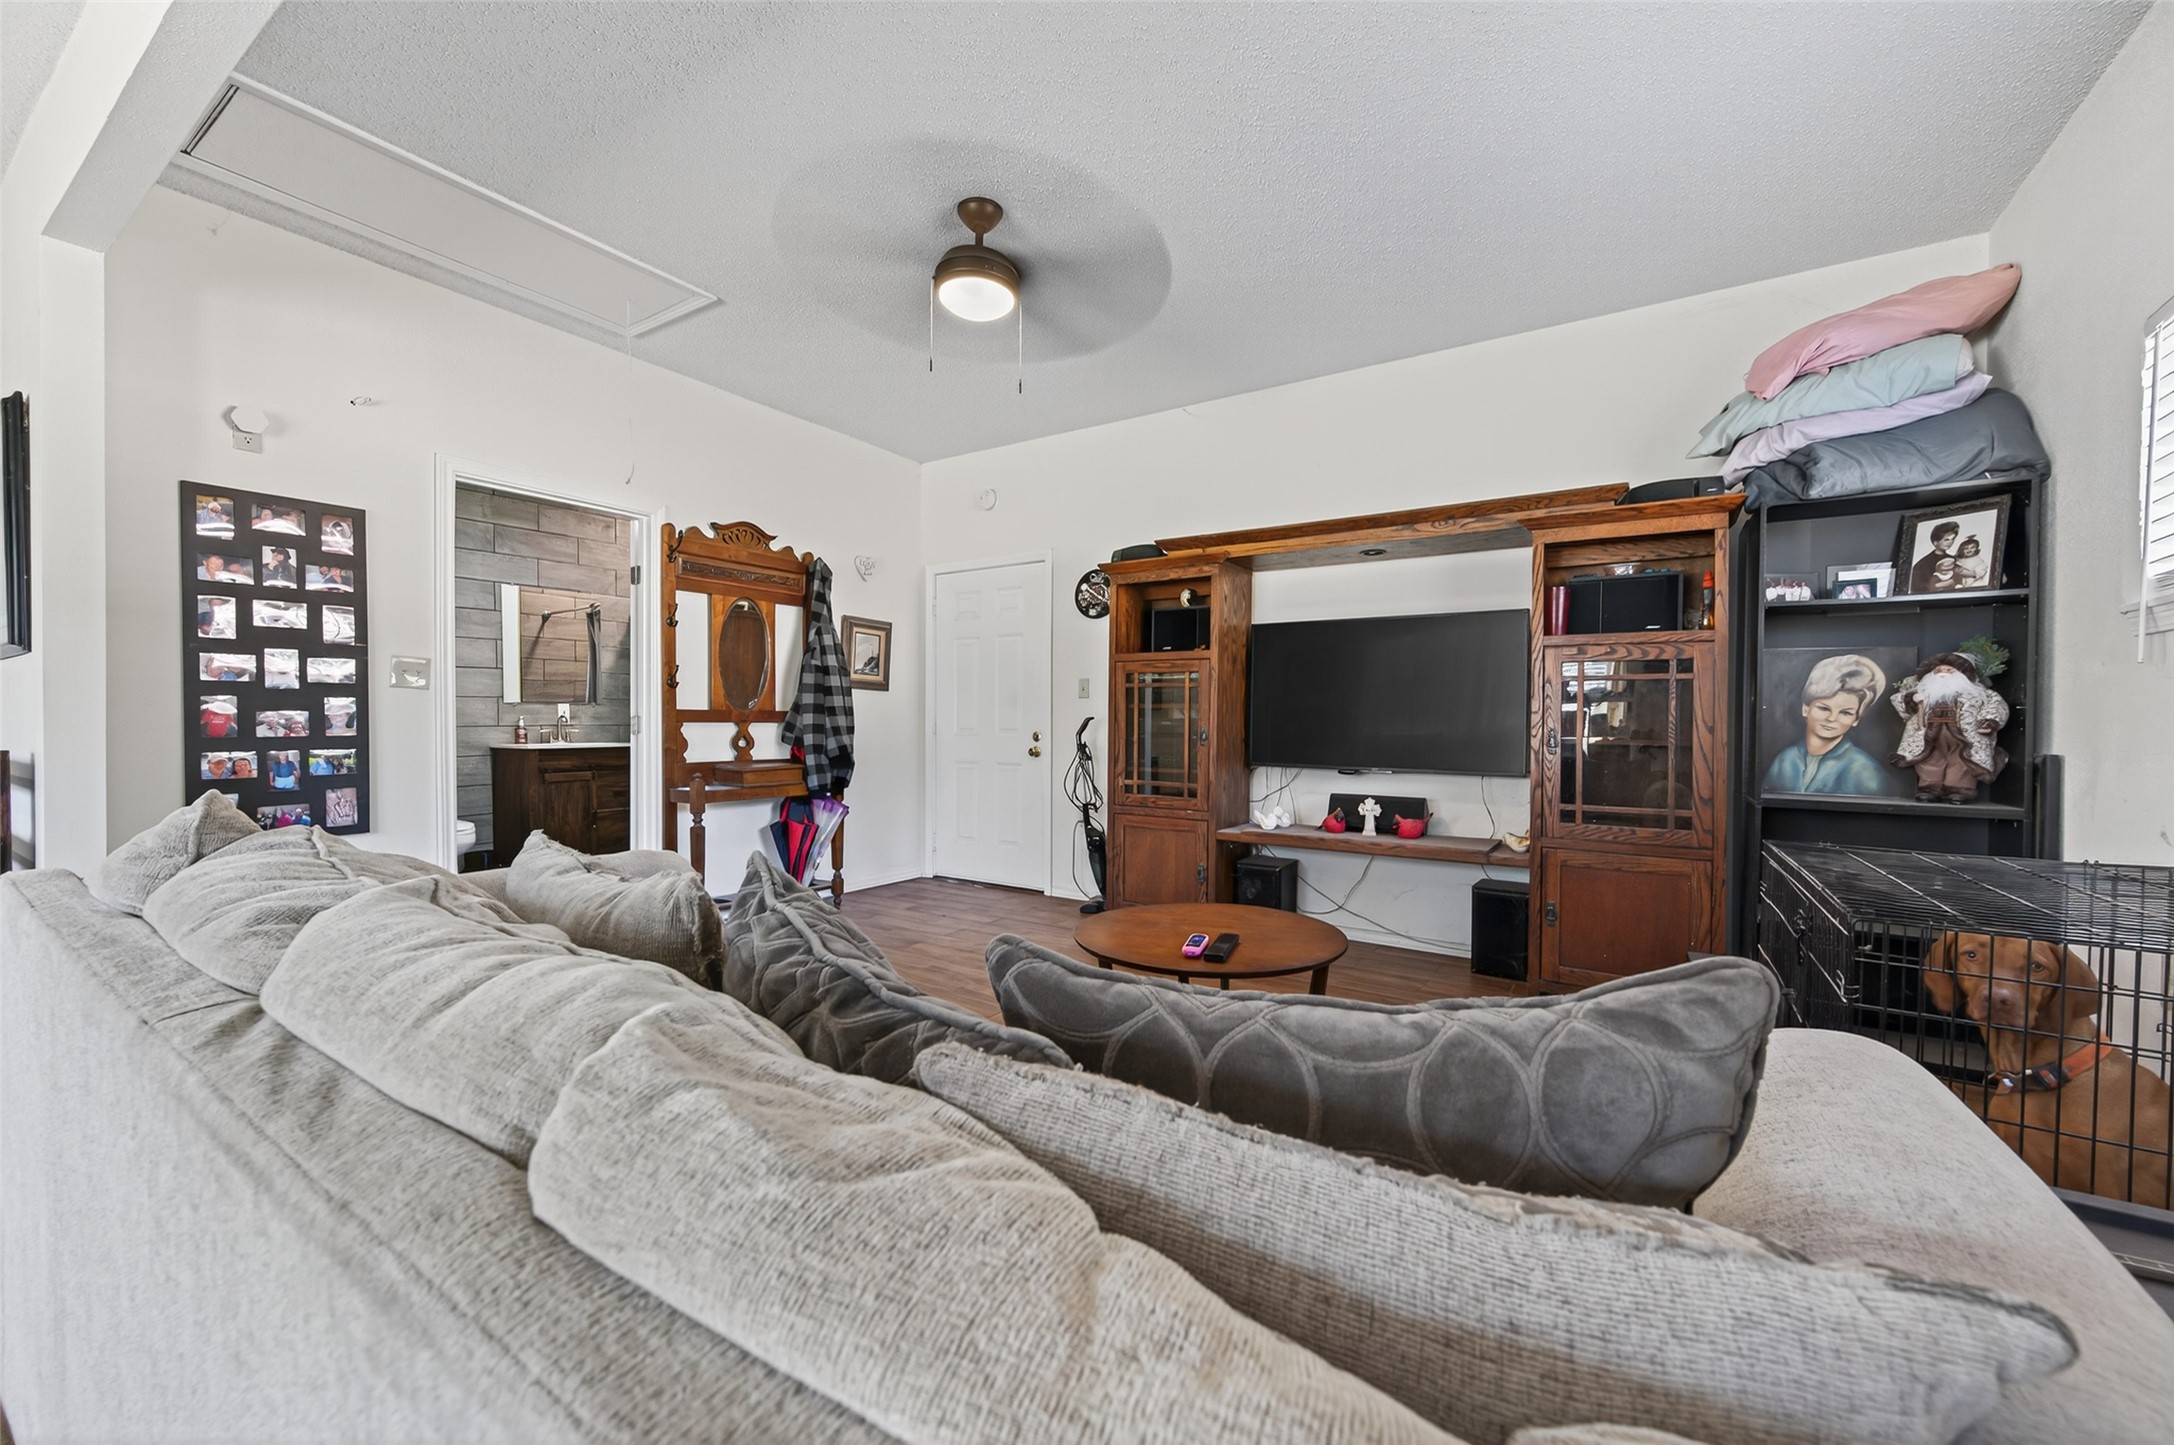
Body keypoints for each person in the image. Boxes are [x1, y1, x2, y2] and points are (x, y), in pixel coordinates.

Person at [1763, 654, 1893, 796]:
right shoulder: (1785, 760)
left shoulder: (1864, 771)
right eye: (1824, 708)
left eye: (1845, 713)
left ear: (1856, 719)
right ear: (1805, 708)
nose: (1832, 718)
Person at [1907, 520, 1961, 593]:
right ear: (1935, 542)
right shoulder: (1921, 565)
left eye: (1952, 539)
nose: (1950, 542)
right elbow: (1917, 591)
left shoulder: (1953, 559)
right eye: (1946, 539)